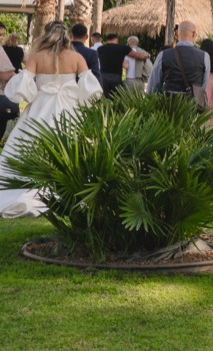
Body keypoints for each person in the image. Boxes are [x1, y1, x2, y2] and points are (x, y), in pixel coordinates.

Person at [0, 22, 103, 218]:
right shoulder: (76, 57)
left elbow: (24, 84)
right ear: (67, 36)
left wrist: (33, 93)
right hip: (69, 110)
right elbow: (90, 88)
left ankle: (29, 186)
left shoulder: (37, 57)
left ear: (46, 35)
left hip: (40, 108)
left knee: (31, 144)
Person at [147, 20, 210, 98]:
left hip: (169, 103)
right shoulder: (204, 56)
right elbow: (203, 85)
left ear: (177, 33)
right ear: (193, 34)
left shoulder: (163, 55)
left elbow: (153, 86)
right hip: (193, 103)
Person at [96, 33, 148, 99]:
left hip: (104, 77)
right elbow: (138, 56)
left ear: (107, 40)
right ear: (117, 40)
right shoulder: (123, 48)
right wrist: (148, 55)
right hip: (117, 77)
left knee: (105, 98)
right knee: (116, 98)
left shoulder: (100, 49)